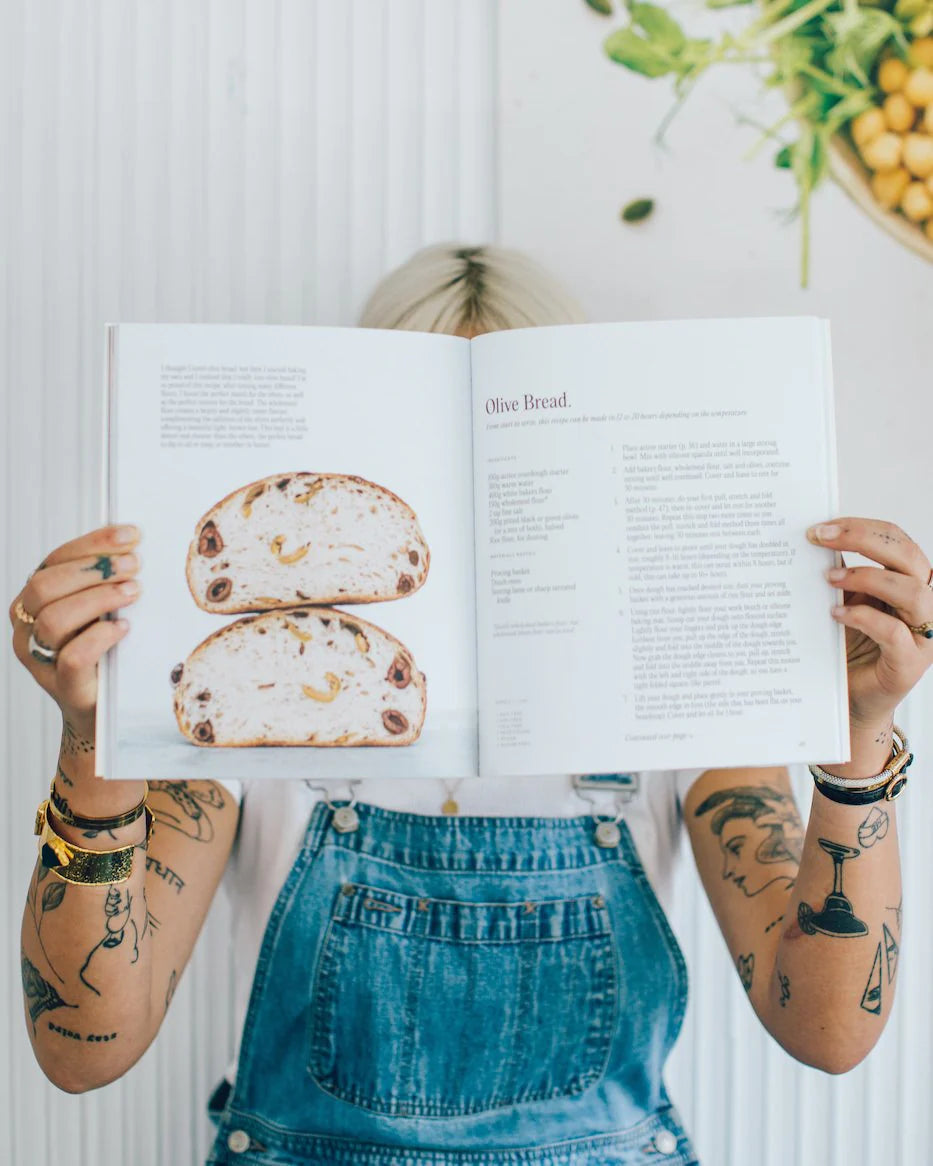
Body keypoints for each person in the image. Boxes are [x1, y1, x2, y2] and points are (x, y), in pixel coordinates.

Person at [10, 243, 933, 1166]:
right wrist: (94, 739)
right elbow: (83, 1050)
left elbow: (827, 1033)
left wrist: (858, 739)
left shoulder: (675, 696)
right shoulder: (253, 698)